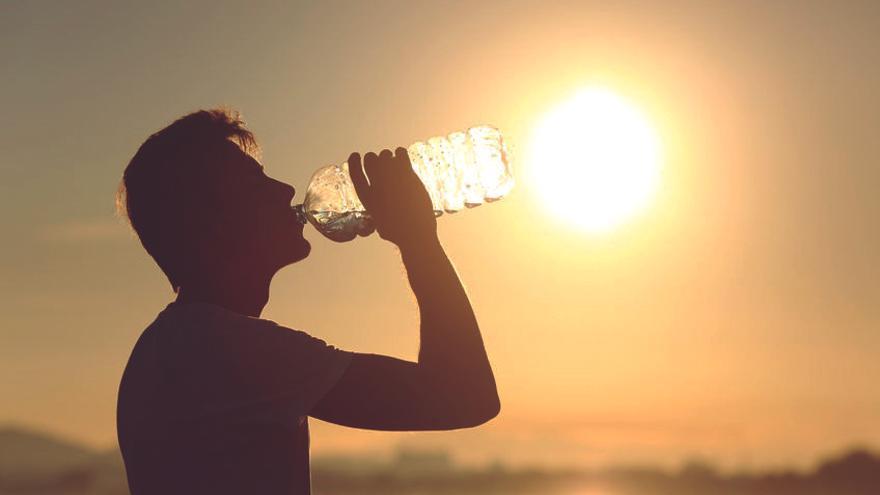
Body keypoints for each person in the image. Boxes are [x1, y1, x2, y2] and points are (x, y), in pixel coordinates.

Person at [115, 109, 500, 495]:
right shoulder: (218, 348)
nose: (284, 190)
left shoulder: (176, 344)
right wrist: (418, 238)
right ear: (209, 224)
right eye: (254, 184)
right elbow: (464, 396)